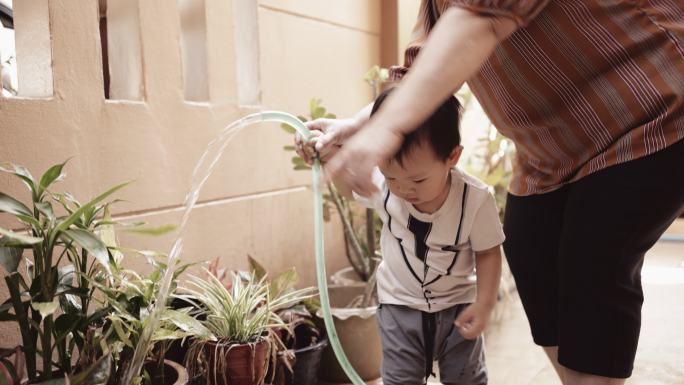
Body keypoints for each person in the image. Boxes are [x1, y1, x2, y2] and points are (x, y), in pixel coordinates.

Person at [303, 2, 684, 385]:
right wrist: (356, 125)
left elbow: (481, 18)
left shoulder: (472, 198)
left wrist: (386, 131)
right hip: (550, 155)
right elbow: (421, 73)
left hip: (648, 115)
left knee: (592, 262)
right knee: (529, 247)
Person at [298, 88, 505, 385]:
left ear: (453, 157)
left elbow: (488, 251)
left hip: (458, 308)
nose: (403, 189)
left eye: (418, 179)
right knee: (399, 380)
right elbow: (350, 186)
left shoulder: (475, 199)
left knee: (467, 379)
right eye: (391, 175)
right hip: (399, 308)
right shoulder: (385, 187)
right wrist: (327, 154)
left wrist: (484, 303)